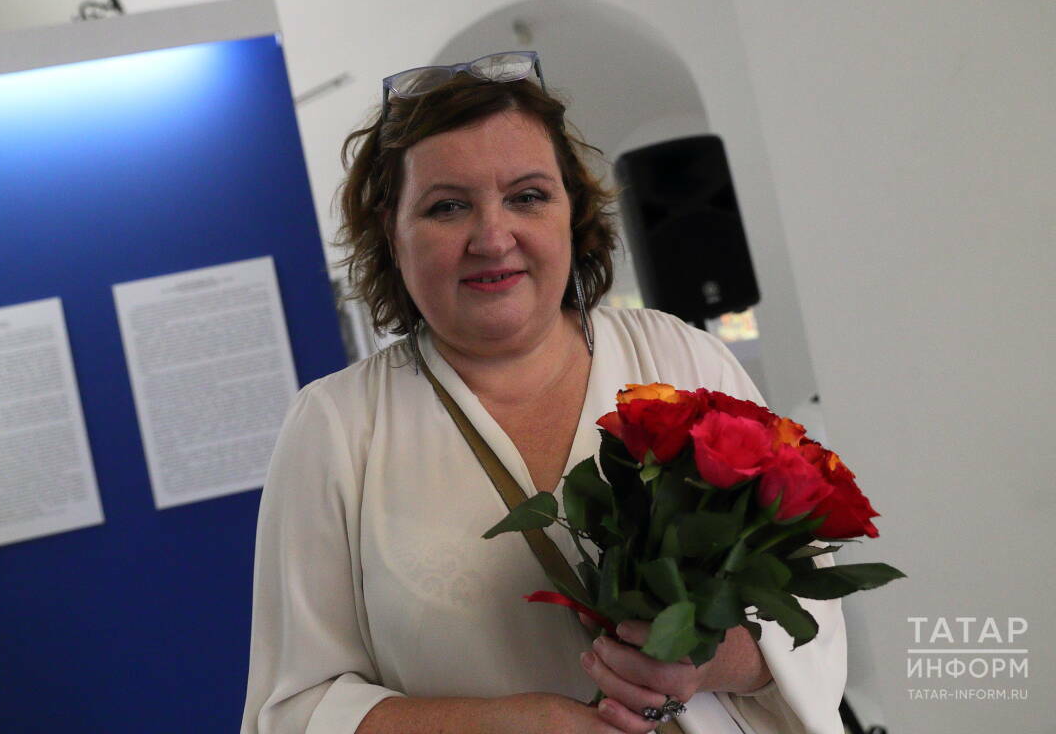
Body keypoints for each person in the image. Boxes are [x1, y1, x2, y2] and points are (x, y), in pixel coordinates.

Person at [240, 52, 846, 733]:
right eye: (447, 206)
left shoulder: (680, 357)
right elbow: (295, 712)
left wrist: (706, 661)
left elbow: (808, 607)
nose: (493, 237)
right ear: (391, 230)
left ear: (571, 209)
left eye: (527, 196)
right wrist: (510, 727)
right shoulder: (338, 426)